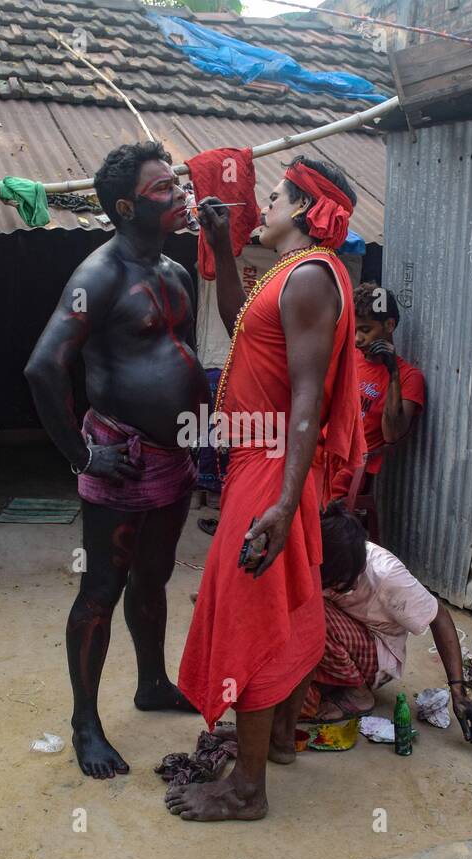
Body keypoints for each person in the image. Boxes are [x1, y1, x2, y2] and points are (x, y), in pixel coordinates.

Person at [168, 156, 365, 822]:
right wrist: (223, 247)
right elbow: (241, 328)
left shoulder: (309, 278)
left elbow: (307, 398)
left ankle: (246, 789)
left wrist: (282, 505)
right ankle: (278, 739)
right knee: (283, 603)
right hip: (266, 463)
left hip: (275, 467)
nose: (267, 202)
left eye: (277, 195)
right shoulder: (286, 276)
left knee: (249, 610)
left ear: (307, 211)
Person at [24, 142, 208, 779]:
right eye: (164, 190)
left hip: (173, 460)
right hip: (121, 460)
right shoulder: (97, 276)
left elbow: (180, 357)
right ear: (127, 206)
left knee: (153, 581)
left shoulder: (176, 273)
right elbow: (43, 367)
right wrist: (83, 456)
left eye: (177, 185)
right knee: (101, 589)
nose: (180, 196)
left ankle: (152, 683)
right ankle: (84, 724)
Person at [306, 502, 472, 743]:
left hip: (377, 653)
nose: (352, 586)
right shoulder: (322, 557)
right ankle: (332, 682)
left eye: (348, 582)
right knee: (289, 702)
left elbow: (439, 617)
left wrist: (458, 690)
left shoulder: (387, 574)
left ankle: (357, 695)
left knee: (313, 614)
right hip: (346, 637)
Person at [331, 282, 426, 502]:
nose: (357, 339)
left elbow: (392, 434)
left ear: (389, 325)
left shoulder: (408, 377)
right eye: (354, 330)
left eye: (365, 330)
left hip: (347, 468)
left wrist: (392, 374)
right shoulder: (349, 356)